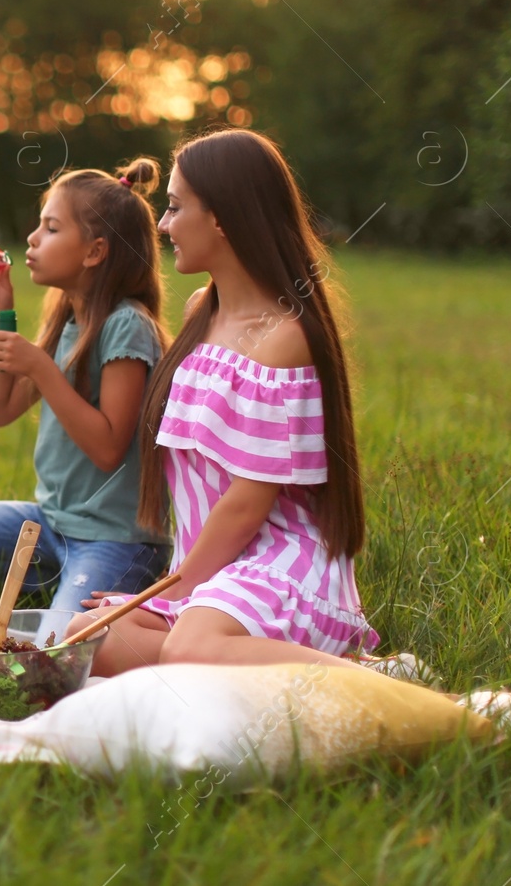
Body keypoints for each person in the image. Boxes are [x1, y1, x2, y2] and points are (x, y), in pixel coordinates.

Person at [72, 128, 380, 675]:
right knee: (85, 638)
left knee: (187, 649)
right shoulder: (201, 311)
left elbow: (247, 503)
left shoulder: (286, 335)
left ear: (222, 218)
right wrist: (177, 594)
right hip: (215, 571)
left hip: (280, 564)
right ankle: (226, 663)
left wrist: (177, 590)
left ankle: (378, 680)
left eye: (173, 207)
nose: (163, 225)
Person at [0, 160, 174, 613]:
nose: (32, 238)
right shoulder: (65, 320)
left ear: (94, 252)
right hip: (48, 526)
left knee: (61, 647)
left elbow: (108, 448)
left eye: (50, 228)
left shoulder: (127, 325)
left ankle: (70, 596)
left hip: (115, 540)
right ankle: (52, 585)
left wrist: (43, 369)